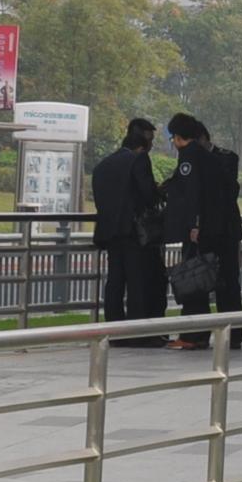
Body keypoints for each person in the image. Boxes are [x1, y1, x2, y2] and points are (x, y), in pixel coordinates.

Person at [161, 113, 242, 349]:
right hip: (225, 229)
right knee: (227, 283)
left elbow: (193, 194)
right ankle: (232, 335)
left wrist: (195, 225)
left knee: (195, 279)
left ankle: (193, 335)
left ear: (178, 137)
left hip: (206, 230)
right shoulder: (214, 160)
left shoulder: (190, 156)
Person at [91, 117, 168, 343]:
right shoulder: (139, 159)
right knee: (139, 282)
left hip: (110, 232)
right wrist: (159, 192)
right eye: (150, 140)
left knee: (115, 281)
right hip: (135, 232)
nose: (151, 145)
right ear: (141, 142)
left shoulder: (103, 165)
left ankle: (114, 332)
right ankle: (138, 333)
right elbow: (147, 195)